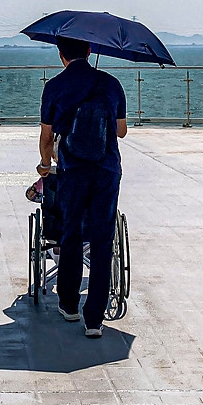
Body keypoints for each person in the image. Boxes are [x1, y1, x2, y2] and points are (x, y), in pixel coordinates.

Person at [37, 36, 128, 338]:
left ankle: (69, 304)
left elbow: (47, 137)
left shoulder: (55, 86)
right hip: (106, 169)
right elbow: (121, 131)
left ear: (60, 54)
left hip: (72, 171)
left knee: (71, 234)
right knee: (102, 239)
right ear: (90, 50)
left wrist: (45, 164)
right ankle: (94, 320)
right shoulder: (111, 83)